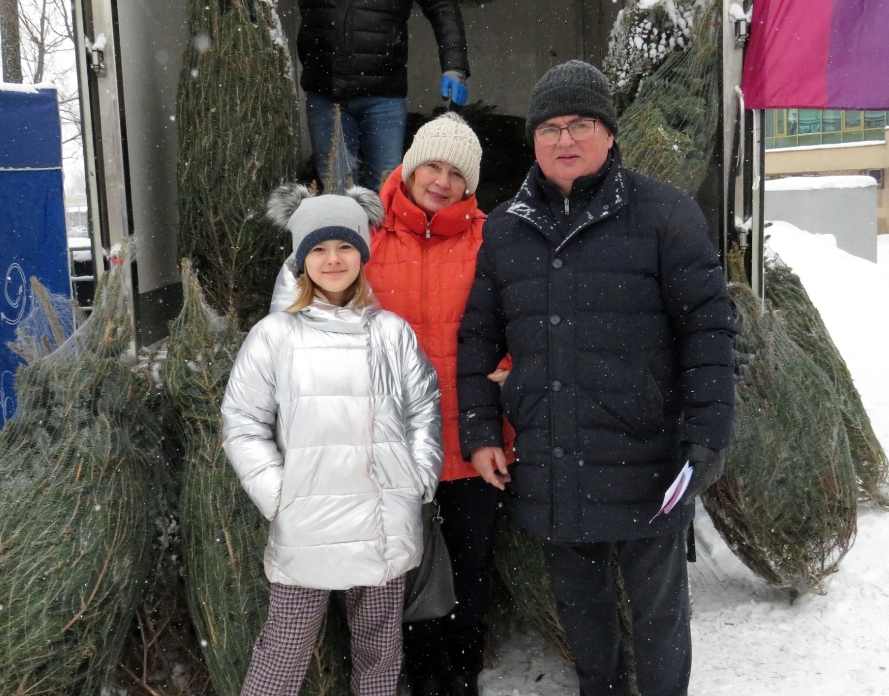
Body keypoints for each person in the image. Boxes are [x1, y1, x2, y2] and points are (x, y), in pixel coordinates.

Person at [456, 60, 736, 696]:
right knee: (583, 615)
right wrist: (480, 430)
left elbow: (708, 329)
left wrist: (707, 432)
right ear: (533, 141)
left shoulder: (665, 214)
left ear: (609, 133)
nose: (565, 139)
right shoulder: (505, 230)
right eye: (549, 128)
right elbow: (477, 337)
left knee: (659, 615)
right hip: (553, 457)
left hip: (647, 457)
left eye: (580, 124)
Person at [271, 112, 506, 696]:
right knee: (404, 569)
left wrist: (512, 367)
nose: (442, 181)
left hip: (473, 438)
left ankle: (462, 675)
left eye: (457, 173)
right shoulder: (366, 237)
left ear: (471, 184)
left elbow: (519, 317)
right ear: (409, 166)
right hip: (389, 444)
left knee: (471, 566)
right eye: (432, 166)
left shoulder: (492, 241)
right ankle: (420, 676)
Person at [222, 185, 443, 696]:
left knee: (380, 652)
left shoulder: (391, 332)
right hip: (308, 523)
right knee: (284, 651)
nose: (333, 259)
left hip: (384, 519)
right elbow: (242, 422)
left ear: (363, 254)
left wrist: (417, 480)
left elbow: (423, 409)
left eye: (345, 246)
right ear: (301, 259)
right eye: (318, 248)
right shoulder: (274, 336)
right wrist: (280, 495)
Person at [297, 0, 470, 191]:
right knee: (337, 192)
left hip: (383, 94)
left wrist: (455, 66)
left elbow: (441, 5)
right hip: (325, 90)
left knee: (386, 190)